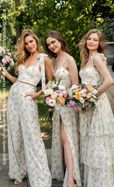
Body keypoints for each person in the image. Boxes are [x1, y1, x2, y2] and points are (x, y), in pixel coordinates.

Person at [0, 29, 52, 186]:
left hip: (28, 99)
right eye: (26, 43)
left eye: (31, 41)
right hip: (14, 98)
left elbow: (51, 81)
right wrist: (4, 72)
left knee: (32, 136)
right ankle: (18, 171)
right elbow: (18, 81)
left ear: (36, 41)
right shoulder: (24, 59)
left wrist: (37, 94)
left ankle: (41, 177)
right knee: (15, 134)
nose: (29, 45)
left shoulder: (44, 59)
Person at [78, 29, 114, 187]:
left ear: (99, 43)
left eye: (95, 39)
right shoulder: (86, 58)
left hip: (97, 103)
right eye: (89, 38)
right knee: (90, 143)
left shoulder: (97, 58)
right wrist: (80, 95)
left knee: (98, 143)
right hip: (87, 104)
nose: (91, 41)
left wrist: (92, 96)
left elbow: (108, 81)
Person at [45, 31, 81, 187]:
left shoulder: (69, 59)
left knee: (67, 139)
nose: (52, 46)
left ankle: (72, 179)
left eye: (54, 42)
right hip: (57, 106)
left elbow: (75, 85)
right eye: (49, 44)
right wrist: (50, 95)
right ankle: (68, 172)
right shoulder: (54, 60)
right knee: (63, 139)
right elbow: (51, 82)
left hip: (67, 104)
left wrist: (64, 94)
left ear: (60, 40)